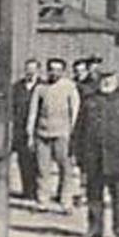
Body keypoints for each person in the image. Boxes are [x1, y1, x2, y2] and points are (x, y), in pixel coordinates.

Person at [72, 66, 119, 237]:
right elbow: (79, 128)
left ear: (117, 78)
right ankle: (95, 228)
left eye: (110, 76)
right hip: (93, 155)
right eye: (103, 77)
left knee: (118, 195)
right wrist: (75, 152)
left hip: (117, 155)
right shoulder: (90, 100)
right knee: (93, 194)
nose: (106, 80)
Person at [27, 57, 80, 214]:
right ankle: (42, 201)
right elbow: (33, 112)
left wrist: (73, 133)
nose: (54, 72)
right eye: (51, 69)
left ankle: (66, 201)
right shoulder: (40, 88)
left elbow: (75, 111)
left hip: (63, 134)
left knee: (66, 169)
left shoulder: (70, 87)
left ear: (63, 71)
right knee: (42, 169)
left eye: (58, 69)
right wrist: (30, 133)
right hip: (42, 134)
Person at [9, 58, 41, 200]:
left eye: (33, 69)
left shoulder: (43, 86)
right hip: (20, 129)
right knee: (23, 160)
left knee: (37, 161)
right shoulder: (17, 87)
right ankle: (27, 191)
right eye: (28, 69)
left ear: (38, 71)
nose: (30, 72)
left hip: (37, 129)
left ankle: (37, 191)